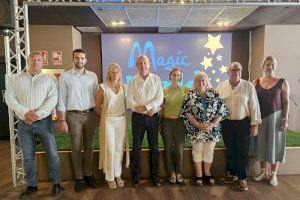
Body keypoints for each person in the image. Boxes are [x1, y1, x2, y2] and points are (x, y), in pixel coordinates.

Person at [5, 52, 61, 199]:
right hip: (25, 124)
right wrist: (25, 113)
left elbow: (53, 99)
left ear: (43, 63)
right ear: (28, 61)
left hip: (45, 122)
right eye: (33, 60)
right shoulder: (15, 78)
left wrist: (37, 114)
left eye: (39, 60)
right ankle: (31, 185)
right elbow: (9, 97)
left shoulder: (50, 79)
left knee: (53, 154)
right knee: (28, 157)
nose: (36, 62)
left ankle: (56, 183)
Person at [57, 49, 98, 192]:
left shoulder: (93, 76)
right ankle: (79, 178)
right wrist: (62, 120)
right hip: (73, 116)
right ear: (73, 59)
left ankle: (88, 175)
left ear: (86, 60)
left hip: (91, 115)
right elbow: (61, 99)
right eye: (77, 58)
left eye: (82, 58)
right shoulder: (65, 77)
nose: (79, 60)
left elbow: (96, 97)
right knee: (75, 147)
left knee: (89, 146)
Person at [216, 62, 261, 191]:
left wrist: (254, 125)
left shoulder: (248, 86)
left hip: (243, 123)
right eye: (234, 70)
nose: (236, 72)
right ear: (228, 72)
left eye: (239, 70)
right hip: (226, 123)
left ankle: (242, 178)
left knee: (243, 151)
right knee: (230, 149)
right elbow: (217, 106)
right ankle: (232, 173)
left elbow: (254, 106)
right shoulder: (221, 86)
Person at [180, 72, 228, 186]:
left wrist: (212, 124)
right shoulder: (189, 95)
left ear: (206, 81)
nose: (201, 82)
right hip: (196, 130)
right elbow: (186, 112)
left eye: (203, 80)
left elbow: (221, 111)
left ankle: (207, 173)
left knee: (209, 152)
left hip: (211, 130)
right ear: (195, 82)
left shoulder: (215, 94)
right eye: (198, 80)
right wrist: (197, 124)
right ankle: (199, 175)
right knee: (197, 152)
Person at [251, 56, 290, 186]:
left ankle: (273, 174)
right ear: (263, 66)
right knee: (261, 144)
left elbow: (286, 102)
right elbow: (251, 101)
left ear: (275, 66)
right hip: (260, 119)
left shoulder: (282, 82)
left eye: (272, 65)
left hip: (276, 118)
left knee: (275, 145)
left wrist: (285, 119)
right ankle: (263, 171)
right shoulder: (255, 82)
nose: (269, 67)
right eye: (267, 64)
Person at [126, 55, 164, 187]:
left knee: (154, 147)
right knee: (136, 148)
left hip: (152, 118)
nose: (143, 65)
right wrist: (142, 108)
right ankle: (136, 176)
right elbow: (129, 100)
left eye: (145, 63)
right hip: (137, 118)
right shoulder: (132, 81)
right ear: (137, 65)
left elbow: (159, 98)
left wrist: (147, 107)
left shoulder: (156, 79)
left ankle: (155, 176)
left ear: (149, 64)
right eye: (140, 63)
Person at [96, 63, 130, 189]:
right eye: (112, 72)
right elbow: (97, 106)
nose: (115, 74)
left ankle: (118, 175)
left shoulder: (124, 87)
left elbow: (129, 103)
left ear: (120, 74)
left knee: (118, 149)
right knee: (110, 149)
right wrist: (106, 117)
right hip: (108, 121)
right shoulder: (102, 87)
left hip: (121, 120)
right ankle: (110, 177)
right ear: (108, 74)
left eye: (117, 72)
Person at [161, 67, 189, 184]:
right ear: (170, 76)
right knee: (168, 148)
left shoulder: (185, 89)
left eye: (178, 75)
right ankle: (171, 172)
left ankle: (179, 172)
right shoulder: (164, 90)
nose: (176, 77)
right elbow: (161, 108)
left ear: (180, 77)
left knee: (179, 149)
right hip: (166, 122)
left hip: (180, 122)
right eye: (174, 75)